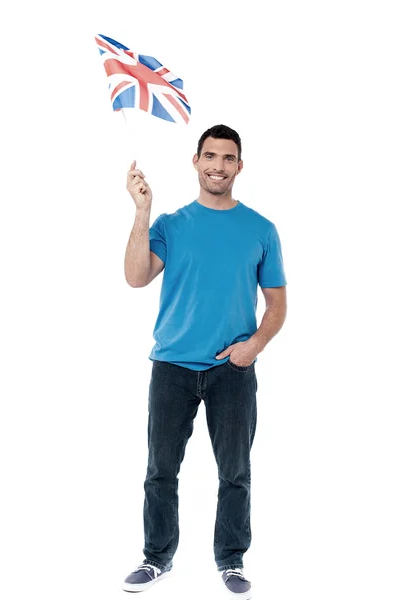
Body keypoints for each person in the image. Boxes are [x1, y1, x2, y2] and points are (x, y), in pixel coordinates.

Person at [122, 124, 287, 598]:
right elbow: (136, 277)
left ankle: (231, 560)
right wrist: (142, 210)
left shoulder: (261, 229)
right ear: (195, 161)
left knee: (235, 471)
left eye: (227, 157)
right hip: (171, 367)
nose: (218, 165)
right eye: (209, 156)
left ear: (239, 166)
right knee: (160, 470)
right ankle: (157, 559)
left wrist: (253, 346)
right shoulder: (171, 225)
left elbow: (277, 305)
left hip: (231, 371)